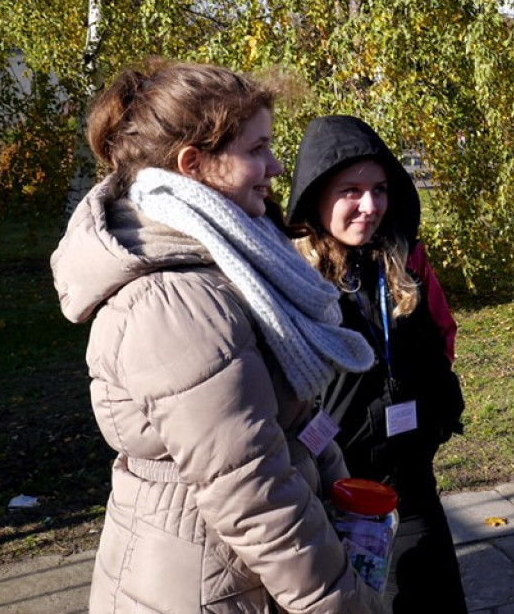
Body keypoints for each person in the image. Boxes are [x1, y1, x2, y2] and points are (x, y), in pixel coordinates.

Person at [50, 60, 388, 613]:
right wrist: (346, 604)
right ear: (195, 165)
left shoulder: (232, 256)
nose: (276, 166)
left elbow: (286, 427)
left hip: (233, 573)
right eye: (257, 149)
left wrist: (337, 489)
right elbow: (254, 494)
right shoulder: (174, 304)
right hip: (205, 588)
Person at [286, 115, 468, 614]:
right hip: (330, 492)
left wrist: (433, 412)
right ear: (316, 196)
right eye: (351, 191)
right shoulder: (291, 279)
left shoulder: (404, 259)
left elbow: (442, 336)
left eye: (380, 190)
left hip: (409, 482)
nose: (370, 206)